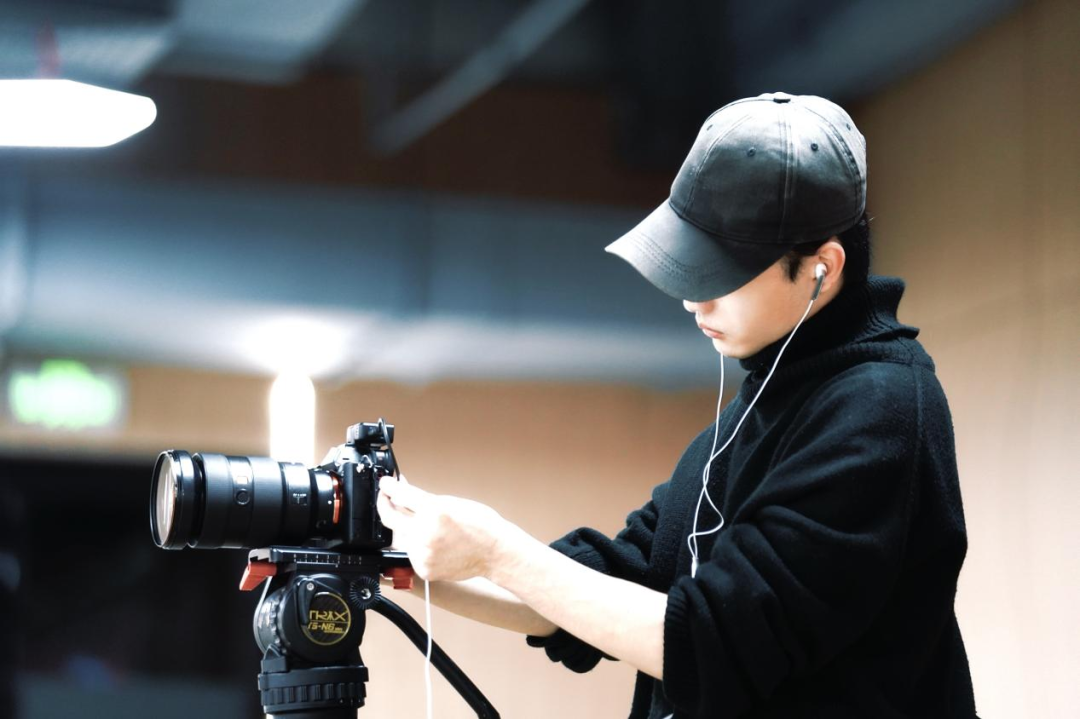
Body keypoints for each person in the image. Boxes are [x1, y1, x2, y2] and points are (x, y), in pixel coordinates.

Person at [376, 92, 977, 718]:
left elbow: (713, 643)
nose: (694, 301)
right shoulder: (760, 406)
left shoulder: (878, 408)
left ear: (820, 267)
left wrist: (497, 551)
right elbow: (611, 581)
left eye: (721, 274)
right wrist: (402, 561)